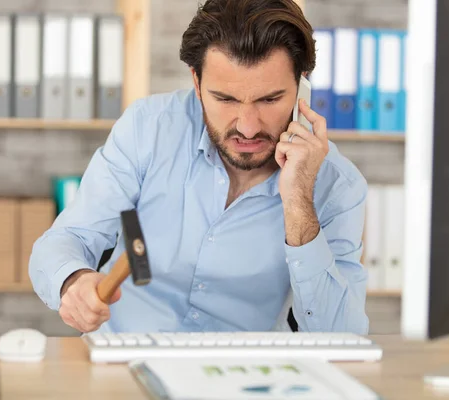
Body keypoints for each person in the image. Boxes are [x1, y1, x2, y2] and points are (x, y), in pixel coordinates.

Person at [29, 0, 369, 335]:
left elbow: (340, 335)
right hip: (123, 362)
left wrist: (298, 201)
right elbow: (67, 239)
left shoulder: (338, 185)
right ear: (196, 82)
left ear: (302, 84)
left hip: (239, 378)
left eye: (269, 100)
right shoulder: (149, 128)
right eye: (226, 99)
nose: (248, 127)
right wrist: (73, 281)